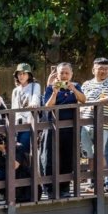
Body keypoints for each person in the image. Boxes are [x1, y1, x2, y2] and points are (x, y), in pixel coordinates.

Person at [40, 63, 85, 198]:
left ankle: (64, 187)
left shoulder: (76, 86)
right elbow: (47, 106)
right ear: (57, 75)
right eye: (61, 73)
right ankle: (49, 188)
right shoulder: (50, 88)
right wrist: (54, 93)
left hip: (70, 127)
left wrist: (74, 90)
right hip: (52, 127)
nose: (64, 75)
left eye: (67, 73)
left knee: (67, 157)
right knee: (49, 158)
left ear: (71, 74)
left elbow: (83, 100)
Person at [79, 58, 108, 191]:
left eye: (105, 69)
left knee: (99, 152)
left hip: (103, 122)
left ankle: (102, 183)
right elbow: (81, 100)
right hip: (85, 121)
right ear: (93, 70)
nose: (103, 71)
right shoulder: (86, 84)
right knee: (89, 154)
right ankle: (93, 183)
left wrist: (98, 102)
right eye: (100, 68)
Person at [10, 63, 41, 155]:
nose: (21, 76)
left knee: (24, 148)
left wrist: (33, 104)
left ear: (29, 75)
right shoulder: (15, 91)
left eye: (24, 73)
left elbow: (36, 98)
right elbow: (13, 107)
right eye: (19, 74)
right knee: (17, 149)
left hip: (29, 122)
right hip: (17, 124)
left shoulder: (35, 86)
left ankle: (27, 169)